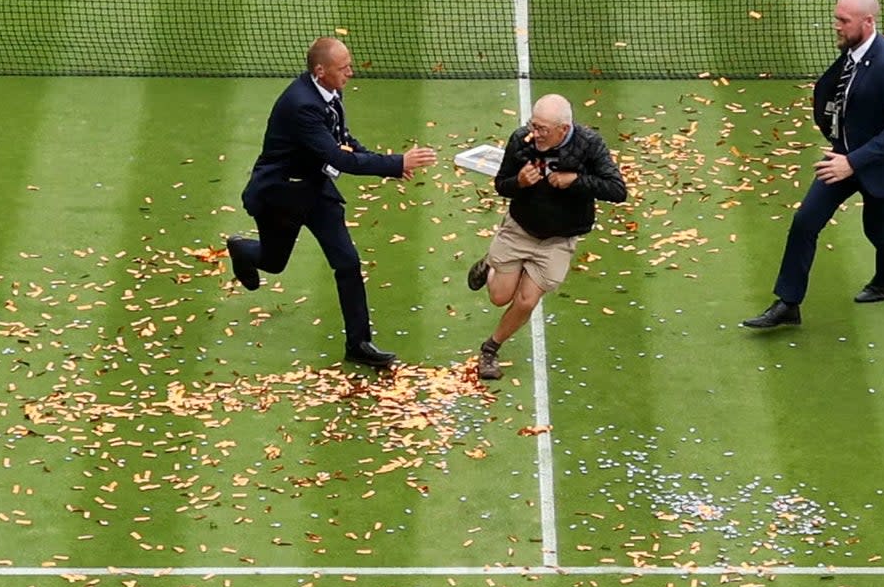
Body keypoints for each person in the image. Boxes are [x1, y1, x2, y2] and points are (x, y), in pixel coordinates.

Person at [225, 37, 437, 367]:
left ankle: (359, 344)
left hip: (315, 190)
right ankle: (241, 249)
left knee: (347, 263)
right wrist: (396, 162)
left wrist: (390, 167)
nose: (351, 73)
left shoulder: (330, 92)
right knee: (274, 261)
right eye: (344, 68)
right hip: (280, 194)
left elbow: (344, 139)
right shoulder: (302, 106)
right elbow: (339, 157)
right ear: (320, 71)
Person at [743, 0, 884, 329]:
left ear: (868, 22)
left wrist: (852, 162)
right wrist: (839, 142)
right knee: (805, 221)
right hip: (845, 156)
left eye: (843, 20)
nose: (836, 26)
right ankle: (788, 303)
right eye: (835, 18)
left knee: (877, 228)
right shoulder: (852, 54)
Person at [466, 94, 627, 379]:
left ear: (563, 129)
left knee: (527, 301)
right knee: (499, 297)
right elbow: (501, 184)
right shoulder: (521, 140)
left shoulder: (590, 144)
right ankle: (491, 266)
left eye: (543, 129)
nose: (535, 134)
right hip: (520, 229)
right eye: (533, 125)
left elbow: (617, 190)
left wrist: (575, 181)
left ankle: (490, 349)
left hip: (559, 239)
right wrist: (519, 182)